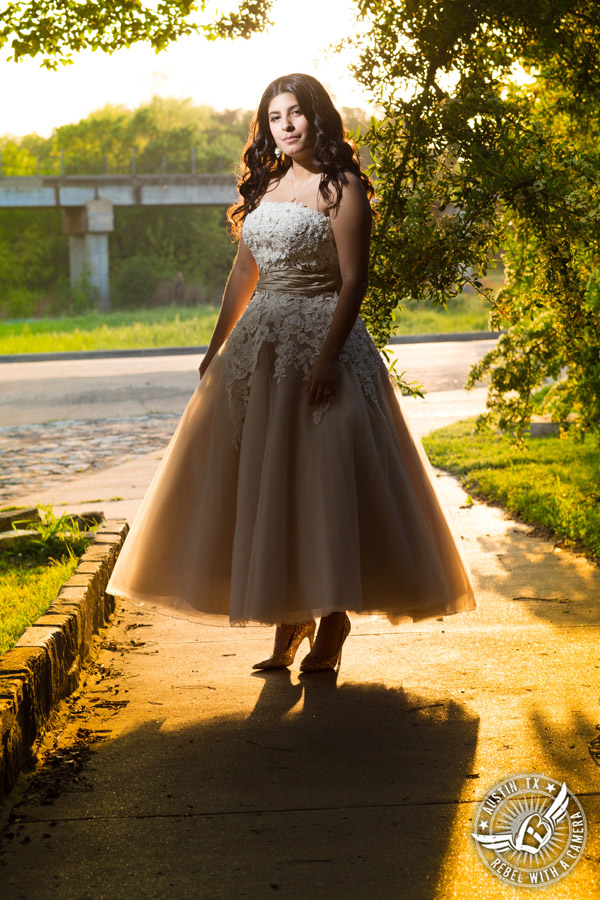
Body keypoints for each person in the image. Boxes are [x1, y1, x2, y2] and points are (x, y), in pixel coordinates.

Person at [106, 73, 476, 673]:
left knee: (324, 483)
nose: (286, 125)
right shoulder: (267, 187)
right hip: (261, 348)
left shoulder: (343, 186)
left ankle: (332, 620)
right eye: (276, 116)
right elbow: (243, 276)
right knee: (267, 485)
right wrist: (215, 346)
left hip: (325, 340)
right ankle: (289, 616)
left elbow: (353, 279)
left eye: (296, 113)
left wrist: (329, 357)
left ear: (317, 117)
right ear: (266, 126)